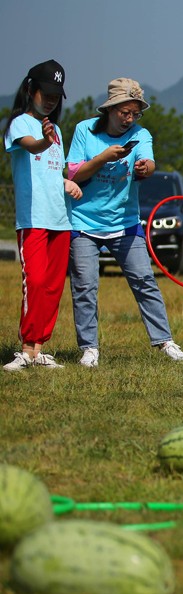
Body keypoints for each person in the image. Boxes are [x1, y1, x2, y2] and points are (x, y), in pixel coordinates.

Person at [66, 78, 183, 367]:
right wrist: (104, 157)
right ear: (110, 109)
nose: (130, 119)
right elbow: (73, 174)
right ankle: (89, 348)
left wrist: (146, 168)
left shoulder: (140, 134)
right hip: (83, 223)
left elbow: (149, 162)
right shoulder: (84, 131)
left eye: (135, 113)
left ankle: (165, 341)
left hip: (126, 222)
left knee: (145, 281)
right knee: (85, 286)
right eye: (125, 112)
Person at [3, 60, 82, 371]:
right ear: (29, 90)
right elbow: (33, 148)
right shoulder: (19, 124)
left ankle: (38, 350)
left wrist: (67, 182)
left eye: (55, 95)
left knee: (51, 286)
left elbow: (51, 170)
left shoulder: (58, 130)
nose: (50, 100)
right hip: (33, 219)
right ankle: (24, 348)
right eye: (45, 93)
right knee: (34, 281)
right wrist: (44, 141)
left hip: (60, 219)